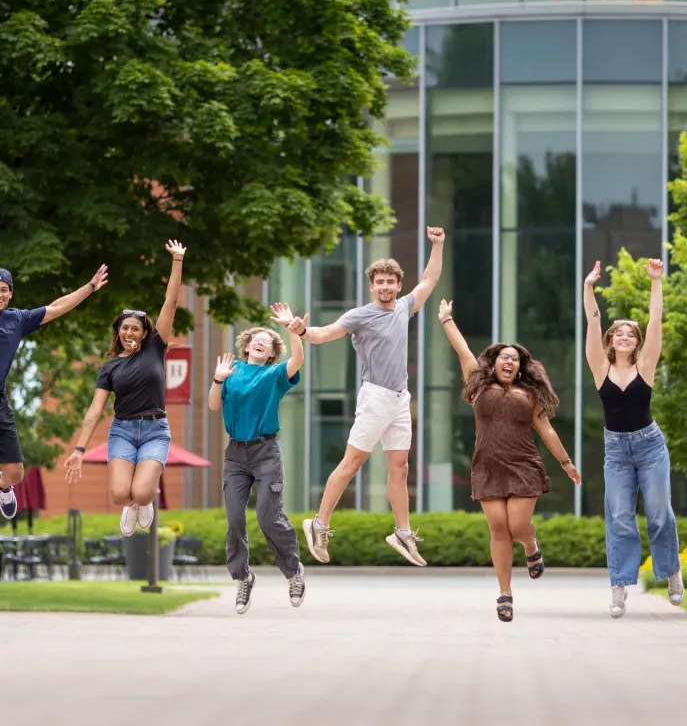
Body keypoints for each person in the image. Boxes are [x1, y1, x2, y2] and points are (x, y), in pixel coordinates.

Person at [288, 226, 446, 567]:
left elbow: (430, 279)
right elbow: (323, 334)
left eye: (392, 281)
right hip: (375, 397)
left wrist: (438, 244)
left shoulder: (405, 307)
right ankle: (318, 524)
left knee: (400, 467)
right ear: (372, 285)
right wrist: (301, 330)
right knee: (353, 462)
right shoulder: (359, 315)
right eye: (380, 282)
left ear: (398, 286)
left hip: (400, 398)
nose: (386, 286)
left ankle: (402, 533)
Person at [437, 298, 581, 622]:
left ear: (520, 367)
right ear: (495, 362)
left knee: (516, 526)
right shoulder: (478, 385)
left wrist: (566, 463)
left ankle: (530, 544)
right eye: (505, 357)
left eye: (515, 360)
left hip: (523, 465)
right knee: (498, 529)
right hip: (487, 467)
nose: (510, 362)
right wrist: (446, 320)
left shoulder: (528, 396)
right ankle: (505, 593)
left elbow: (546, 430)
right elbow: (462, 352)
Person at [583, 258, 683, 619]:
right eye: (619, 333)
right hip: (616, 451)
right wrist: (589, 286)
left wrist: (656, 281)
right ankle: (619, 588)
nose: (624, 337)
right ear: (611, 340)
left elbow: (656, 321)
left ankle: (671, 572)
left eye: (631, 334)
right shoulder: (599, 366)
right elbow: (593, 321)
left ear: (637, 342)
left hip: (650, 446)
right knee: (620, 517)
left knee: (658, 514)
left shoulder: (646, 366)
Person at [64, 241, 185, 535]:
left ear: (145, 333)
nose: (129, 332)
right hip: (122, 431)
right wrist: (79, 448)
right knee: (121, 495)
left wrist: (177, 260)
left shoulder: (155, 348)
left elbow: (170, 302)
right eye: (124, 327)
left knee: (143, 492)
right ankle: (130, 506)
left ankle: (143, 503)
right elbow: (95, 409)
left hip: (155, 429)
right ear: (118, 331)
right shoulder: (109, 367)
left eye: (135, 328)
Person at [208, 303, 306, 615]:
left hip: (266, 452)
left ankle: (293, 572)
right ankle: (243, 577)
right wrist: (217, 380)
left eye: (267, 340)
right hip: (236, 453)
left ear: (272, 353)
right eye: (256, 339)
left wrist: (291, 329)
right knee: (235, 519)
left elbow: (298, 360)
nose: (261, 341)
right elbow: (213, 406)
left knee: (267, 516)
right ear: (248, 346)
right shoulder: (232, 373)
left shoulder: (274, 374)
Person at [0, 263, 108, 519]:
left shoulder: (17, 320)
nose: (0, 294)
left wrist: (90, 287)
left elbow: (58, 307)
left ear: (10, 293)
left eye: (4, 290)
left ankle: (4, 487)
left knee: (16, 473)